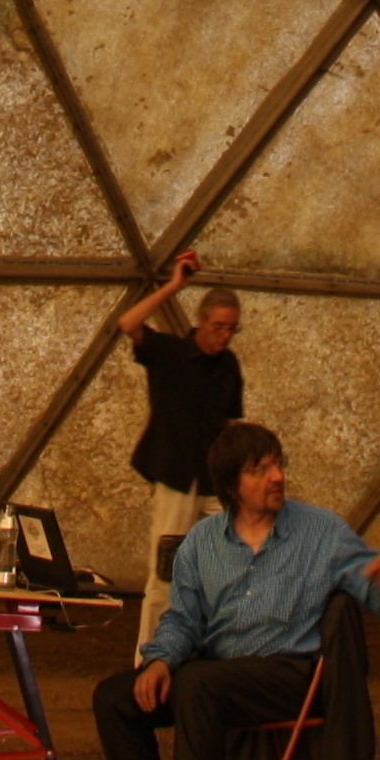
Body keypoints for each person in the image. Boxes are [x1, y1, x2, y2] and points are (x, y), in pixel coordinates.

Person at [88, 420, 380, 760]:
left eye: (278, 465)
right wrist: (160, 661)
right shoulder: (201, 543)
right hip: (223, 677)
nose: (277, 477)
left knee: (200, 684)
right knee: (115, 697)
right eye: (260, 470)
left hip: (293, 677)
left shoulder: (321, 532)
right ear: (231, 485)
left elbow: (373, 586)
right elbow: (183, 619)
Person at [116, 252, 243, 666]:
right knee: (165, 574)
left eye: (231, 328)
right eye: (218, 326)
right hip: (176, 478)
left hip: (215, 482)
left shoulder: (229, 366)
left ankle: (210, 657)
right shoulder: (169, 352)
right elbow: (128, 324)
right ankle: (148, 661)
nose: (224, 335)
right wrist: (173, 286)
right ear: (201, 321)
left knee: (226, 567)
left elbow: (230, 423)